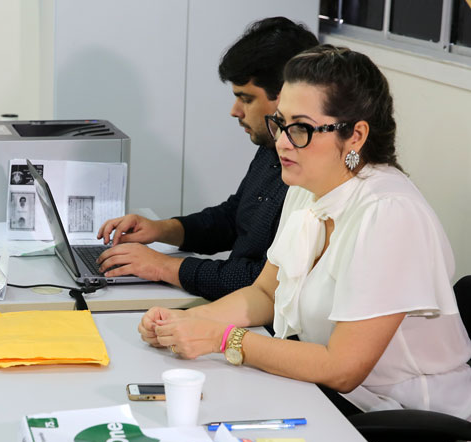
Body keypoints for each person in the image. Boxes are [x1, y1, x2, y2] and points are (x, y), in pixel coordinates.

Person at [139, 45, 471, 420]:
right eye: (280, 123)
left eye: (300, 129)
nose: (281, 141)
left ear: (355, 135)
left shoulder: (389, 213)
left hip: (407, 418)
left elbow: (343, 369)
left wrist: (224, 338)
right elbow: (266, 293)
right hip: (336, 397)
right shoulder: (307, 188)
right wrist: (188, 323)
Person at [97, 17, 318, 300]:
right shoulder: (272, 146)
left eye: (246, 99)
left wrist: (163, 266)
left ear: (286, 95)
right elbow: (234, 219)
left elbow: (262, 283)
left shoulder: (312, 175)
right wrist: (161, 229)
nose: (235, 111)